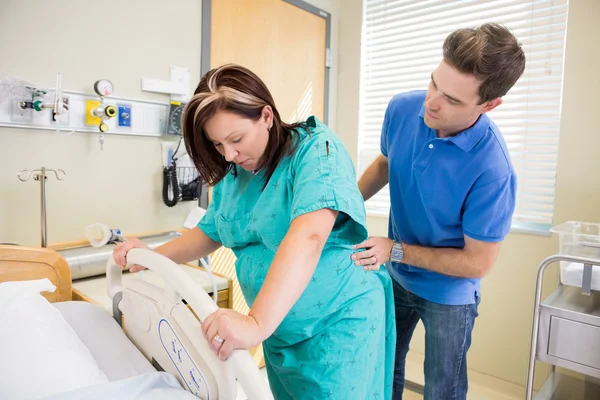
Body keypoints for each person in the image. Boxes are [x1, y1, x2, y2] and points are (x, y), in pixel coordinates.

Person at [113, 64, 395, 399]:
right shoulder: (236, 171)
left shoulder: (317, 152)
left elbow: (309, 236)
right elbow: (212, 231)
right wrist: (149, 257)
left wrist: (256, 323)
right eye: (217, 145)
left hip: (337, 324)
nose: (229, 154)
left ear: (266, 116)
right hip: (281, 330)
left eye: (236, 139)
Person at [351, 23, 525, 399]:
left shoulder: (493, 169)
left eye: (452, 100)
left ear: (489, 105)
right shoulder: (403, 108)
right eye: (434, 84)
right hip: (396, 276)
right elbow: (385, 163)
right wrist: (342, 207)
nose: (432, 102)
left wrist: (393, 249)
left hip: (449, 294)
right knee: (384, 368)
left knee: (442, 390)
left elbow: (477, 263)